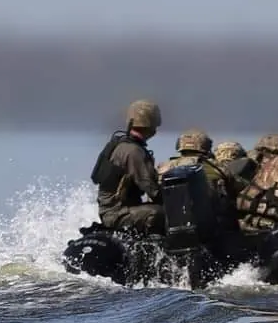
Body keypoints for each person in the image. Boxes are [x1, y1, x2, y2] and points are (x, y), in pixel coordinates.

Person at [90, 100, 165, 235]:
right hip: (117, 214)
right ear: (151, 124)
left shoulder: (122, 145)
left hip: (114, 211)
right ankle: (153, 253)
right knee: (161, 213)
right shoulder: (133, 151)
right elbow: (152, 189)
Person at [156, 128, 237, 232]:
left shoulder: (164, 168)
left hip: (171, 225)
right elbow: (235, 189)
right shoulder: (217, 167)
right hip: (212, 226)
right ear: (205, 145)